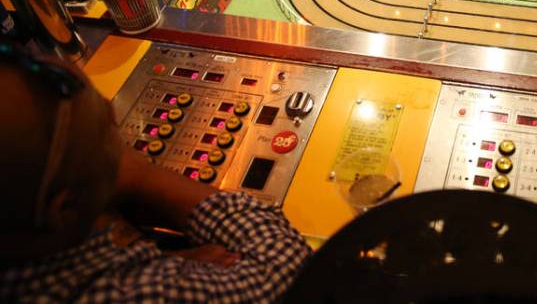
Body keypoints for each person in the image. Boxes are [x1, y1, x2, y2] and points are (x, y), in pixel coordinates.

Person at [0, 44, 312, 303]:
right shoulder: (130, 294)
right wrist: (140, 174)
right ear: (64, 209)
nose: (111, 107)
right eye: (105, 127)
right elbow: (289, 269)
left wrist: (175, 264)